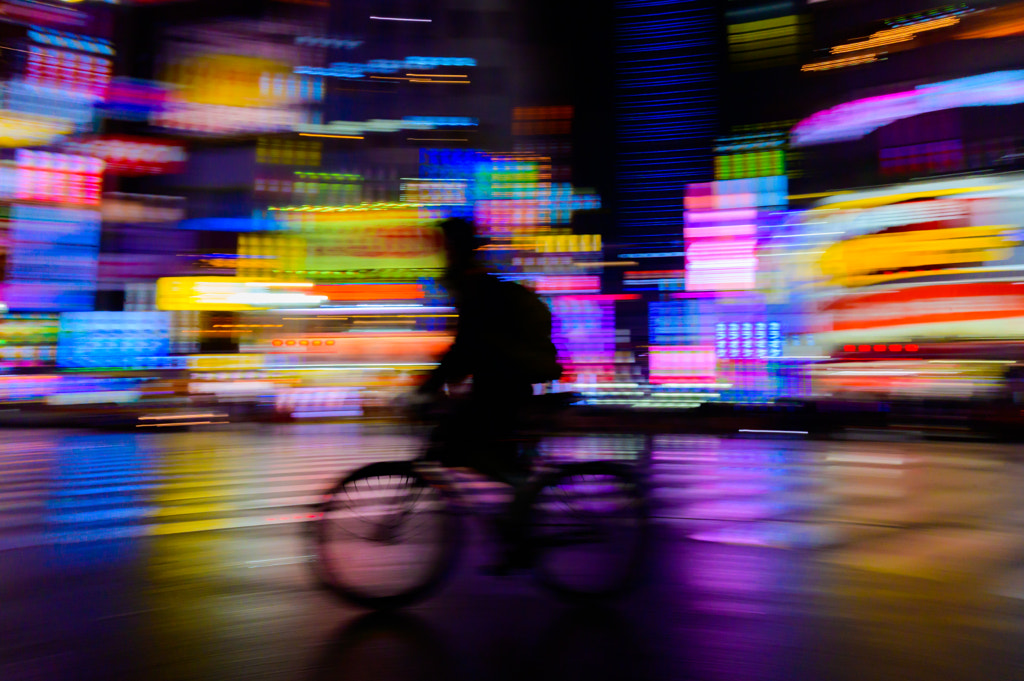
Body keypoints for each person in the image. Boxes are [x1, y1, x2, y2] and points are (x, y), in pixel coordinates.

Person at [415, 217, 563, 486]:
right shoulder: (476, 286)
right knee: (460, 444)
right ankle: (519, 495)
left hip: (505, 381)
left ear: (457, 249)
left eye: (445, 248)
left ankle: (522, 499)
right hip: (504, 377)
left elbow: (468, 345)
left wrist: (428, 387)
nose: (441, 255)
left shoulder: (476, 289)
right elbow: (467, 348)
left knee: (469, 449)